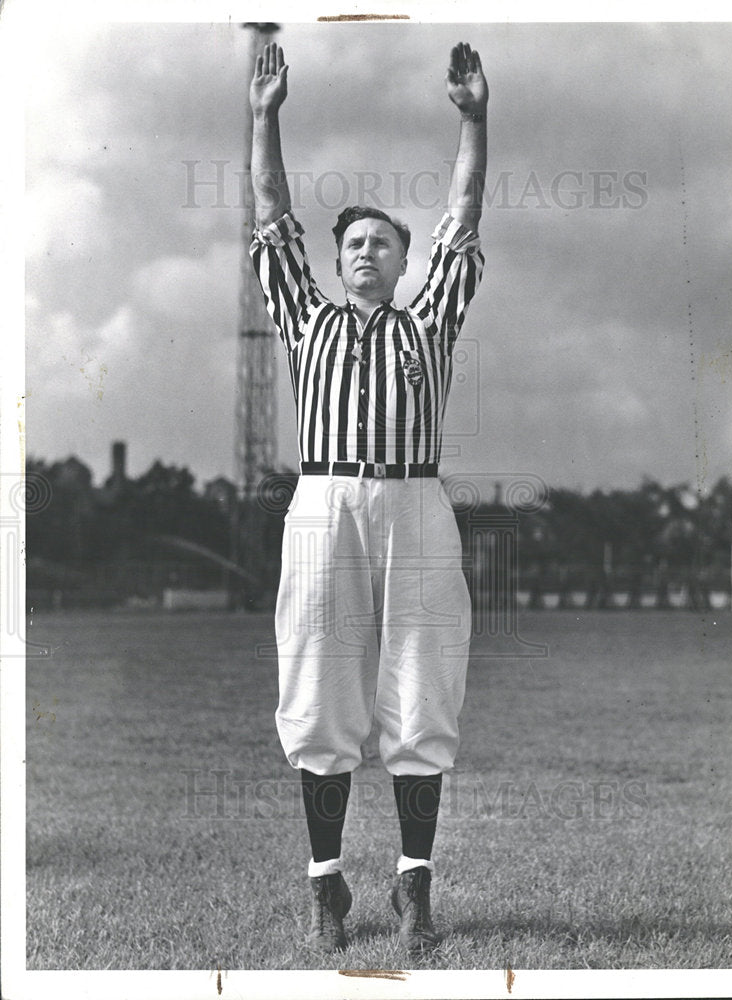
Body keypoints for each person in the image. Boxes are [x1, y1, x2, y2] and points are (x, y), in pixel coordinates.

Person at [248, 39, 488, 954]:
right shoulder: (305, 318)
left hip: (416, 506)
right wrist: (264, 119)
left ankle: (413, 885)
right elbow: (272, 216)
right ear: (338, 258)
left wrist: (474, 119)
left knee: (422, 692)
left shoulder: (431, 319)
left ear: (402, 259)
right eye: (352, 242)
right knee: (318, 691)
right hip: (324, 506)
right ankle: (327, 886)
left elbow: (464, 215)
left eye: (381, 241)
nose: (365, 251)